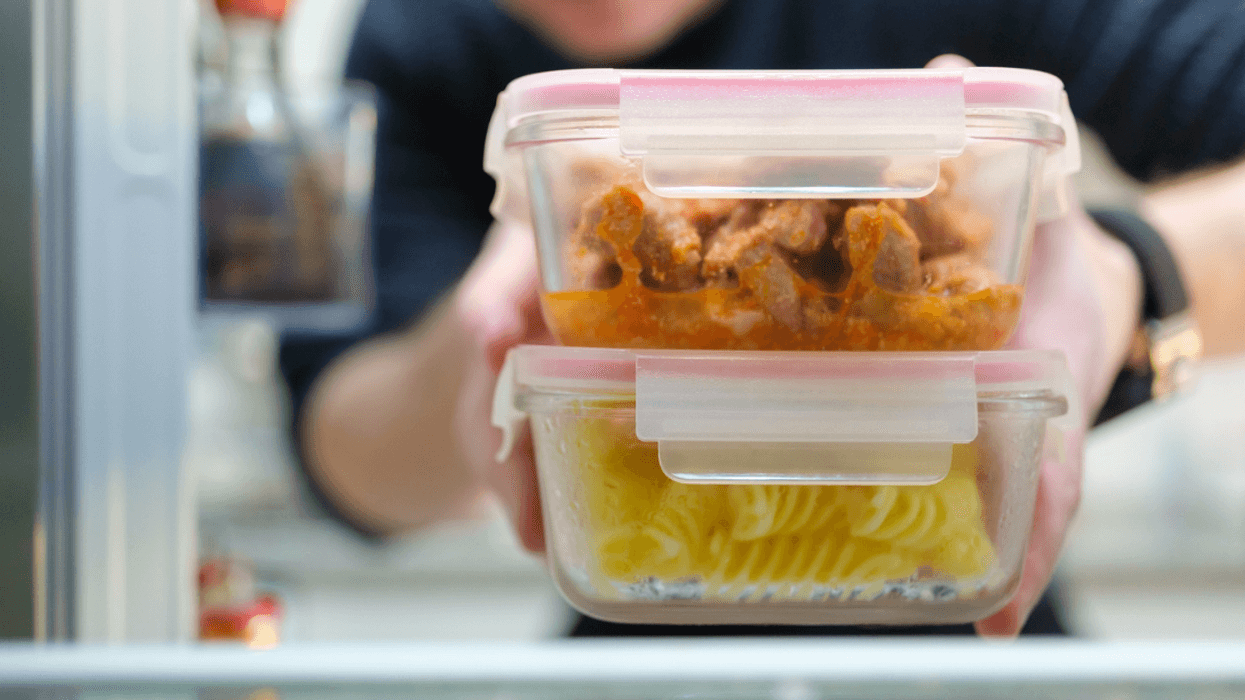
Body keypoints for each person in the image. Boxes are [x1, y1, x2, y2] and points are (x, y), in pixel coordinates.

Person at [278, 0, 1245, 637]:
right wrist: (489, 337)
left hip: (958, 612)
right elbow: (343, 452)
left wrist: (1129, 272)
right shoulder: (423, 32)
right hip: (642, 613)